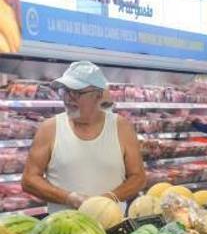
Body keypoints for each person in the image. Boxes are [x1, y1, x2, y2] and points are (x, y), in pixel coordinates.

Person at [22, 61, 145, 212]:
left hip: (112, 228)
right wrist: (69, 198)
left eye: (77, 92)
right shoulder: (50, 128)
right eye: (65, 91)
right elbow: (29, 180)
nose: (68, 98)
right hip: (64, 230)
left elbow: (138, 178)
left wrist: (107, 200)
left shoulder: (121, 127)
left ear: (98, 95)